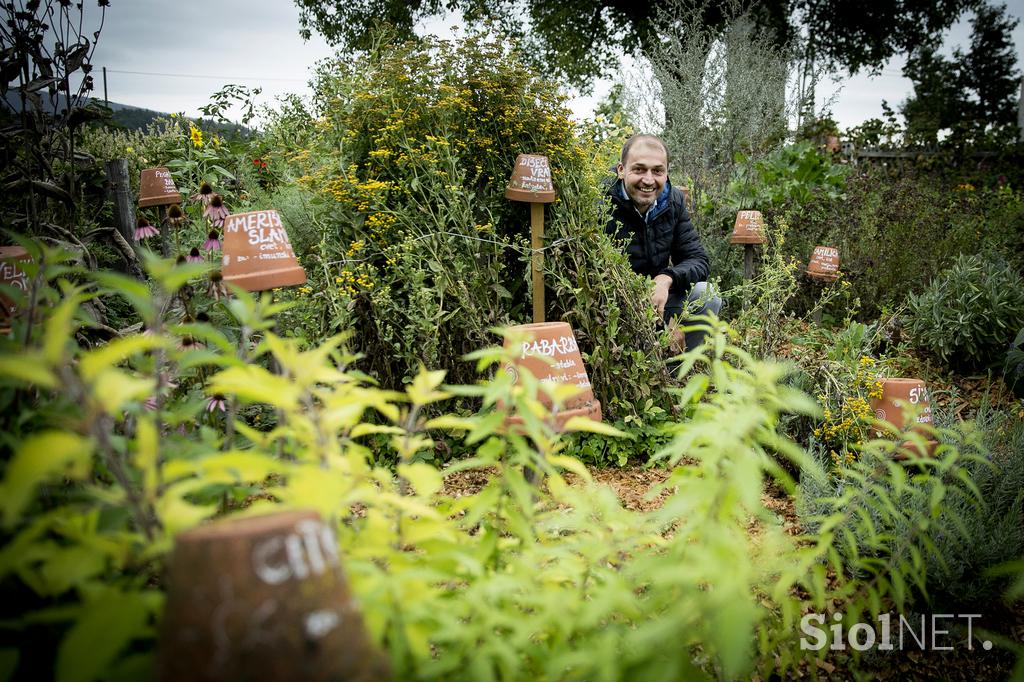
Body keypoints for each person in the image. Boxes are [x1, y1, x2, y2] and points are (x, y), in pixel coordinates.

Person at [605, 133, 721, 353]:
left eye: (657, 171)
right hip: (613, 307)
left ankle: (679, 374)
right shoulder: (600, 203)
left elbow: (697, 259)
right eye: (639, 169)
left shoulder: (672, 201)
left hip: (659, 298)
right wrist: (660, 323)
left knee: (707, 295)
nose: (648, 180)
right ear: (621, 170)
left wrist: (666, 279)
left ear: (667, 173)